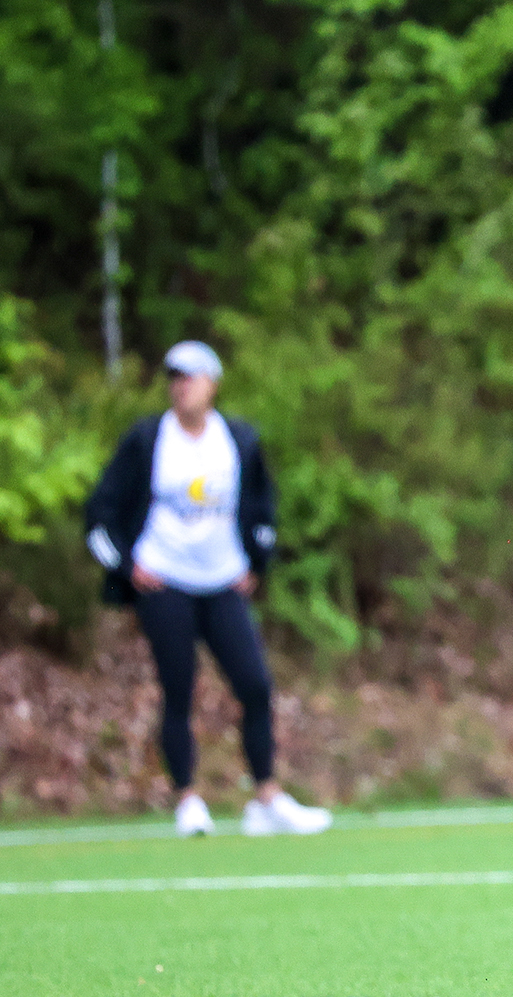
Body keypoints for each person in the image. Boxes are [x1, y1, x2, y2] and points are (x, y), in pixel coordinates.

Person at [84, 340, 331, 838]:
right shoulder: (148, 439)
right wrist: (128, 566)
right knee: (179, 688)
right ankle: (188, 800)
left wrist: (255, 563)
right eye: (174, 377)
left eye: (190, 377)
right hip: (166, 580)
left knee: (255, 685)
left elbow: (262, 508)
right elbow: (100, 512)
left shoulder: (237, 439)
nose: (181, 386)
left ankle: (266, 798)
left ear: (212, 384)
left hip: (223, 581)